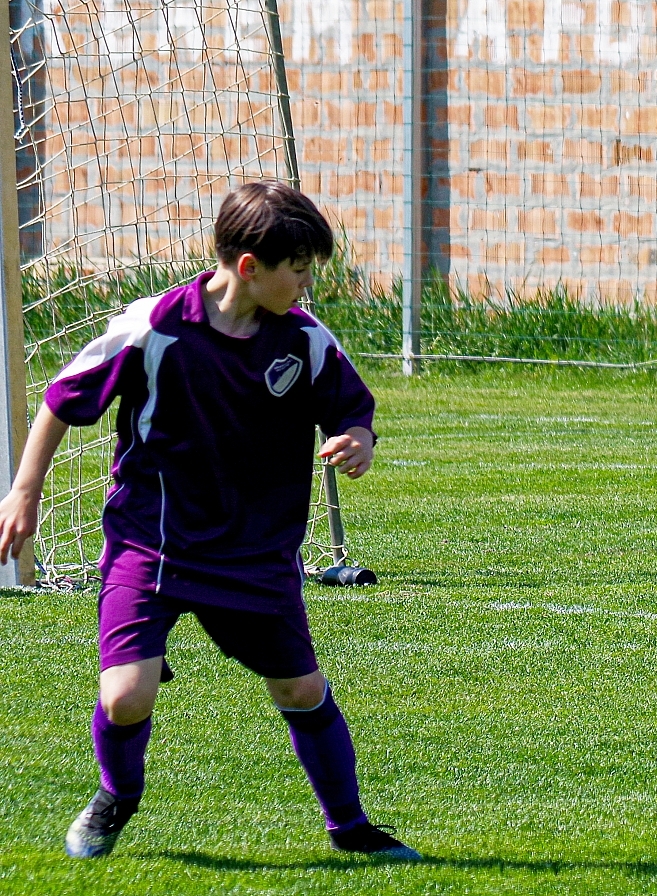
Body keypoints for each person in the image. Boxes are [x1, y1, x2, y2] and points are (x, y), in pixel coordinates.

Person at [0, 181, 420, 858]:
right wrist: (24, 492)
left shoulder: (303, 339)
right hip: (153, 544)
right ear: (250, 267)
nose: (307, 285)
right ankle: (116, 797)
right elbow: (61, 398)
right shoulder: (154, 328)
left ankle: (350, 827)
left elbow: (351, 407)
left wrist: (359, 440)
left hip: (256, 552)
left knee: (300, 687)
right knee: (126, 696)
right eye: (300, 270)